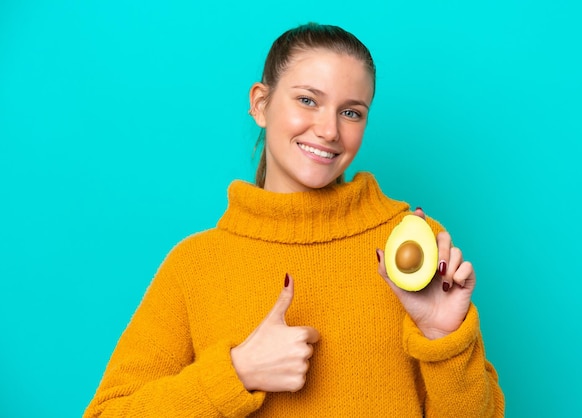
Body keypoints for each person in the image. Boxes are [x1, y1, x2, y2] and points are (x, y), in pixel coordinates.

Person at [84, 23, 505, 417]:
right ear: (260, 104)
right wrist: (235, 373)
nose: (328, 130)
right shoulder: (196, 266)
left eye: (351, 112)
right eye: (308, 100)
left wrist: (443, 339)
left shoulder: (412, 251)